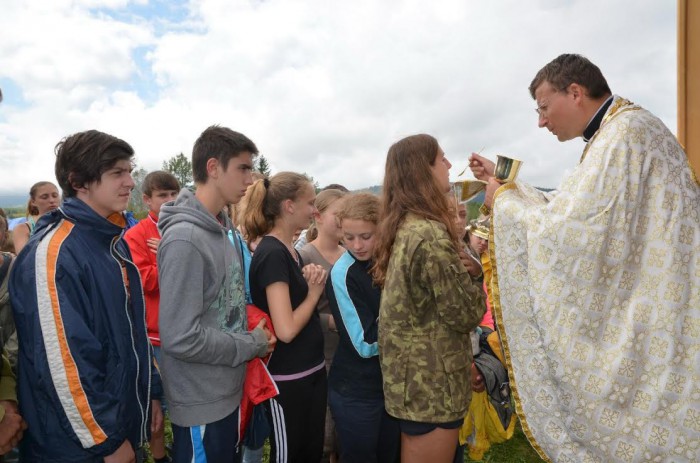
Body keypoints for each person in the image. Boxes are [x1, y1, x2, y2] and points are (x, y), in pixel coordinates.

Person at [470, 53, 700, 462]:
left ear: (574, 92)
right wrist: (508, 185)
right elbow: (573, 211)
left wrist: (503, 201)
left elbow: (574, 231)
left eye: (543, 107)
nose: (541, 121)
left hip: (655, 310)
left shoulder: (624, 135)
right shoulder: (619, 132)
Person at [9, 129, 163, 462]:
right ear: (79, 181)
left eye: (129, 171)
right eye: (117, 173)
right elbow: (64, 364)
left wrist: (149, 394)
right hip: (78, 447)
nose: (131, 182)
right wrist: (105, 441)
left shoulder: (113, 243)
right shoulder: (53, 253)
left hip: (117, 424)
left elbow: (132, 332)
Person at [157, 126, 274, 463]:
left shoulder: (222, 231)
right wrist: (251, 344)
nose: (250, 179)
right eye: (242, 168)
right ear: (213, 168)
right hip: (201, 404)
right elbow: (180, 337)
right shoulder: (185, 240)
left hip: (225, 393)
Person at [373, 134, 486, 463]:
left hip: (416, 383)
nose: (450, 165)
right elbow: (465, 313)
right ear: (422, 170)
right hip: (432, 387)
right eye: (442, 159)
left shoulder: (407, 226)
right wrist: (475, 276)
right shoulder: (429, 232)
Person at [244, 172, 328, 463]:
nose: (314, 211)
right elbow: (286, 329)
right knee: (290, 455)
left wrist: (308, 280)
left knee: (310, 452)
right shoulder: (271, 253)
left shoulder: (289, 250)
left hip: (310, 372)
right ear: (289, 206)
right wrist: (314, 293)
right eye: (310, 203)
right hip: (288, 380)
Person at [325, 192, 400, 463]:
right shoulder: (343, 273)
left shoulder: (393, 260)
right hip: (356, 392)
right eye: (349, 237)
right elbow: (365, 343)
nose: (357, 245)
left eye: (366, 236)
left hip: (391, 388)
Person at [124, 170, 180, 463]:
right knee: (156, 409)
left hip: (188, 330)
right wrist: (170, 259)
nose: (170, 201)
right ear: (147, 200)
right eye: (162, 195)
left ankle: (183, 451)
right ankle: (159, 457)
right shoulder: (136, 234)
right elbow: (145, 281)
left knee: (183, 406)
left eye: (174, 194)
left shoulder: (186, 228)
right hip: (155, 336)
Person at [298, 188, 347, 463]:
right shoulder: (305, 257)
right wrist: (329, 322)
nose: (344, 221)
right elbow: (295, 315)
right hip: (323, 356)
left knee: (345, 431)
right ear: (318, 216)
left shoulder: (351, 254)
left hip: (349, 356)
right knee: (324, 433)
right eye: (338, 214)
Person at [12, 181, 60, 254]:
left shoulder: (68, 223)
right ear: (33, 202)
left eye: (55, 195)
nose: (51, 200)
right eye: (44, 197)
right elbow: (23, 258)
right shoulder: (23, 229)